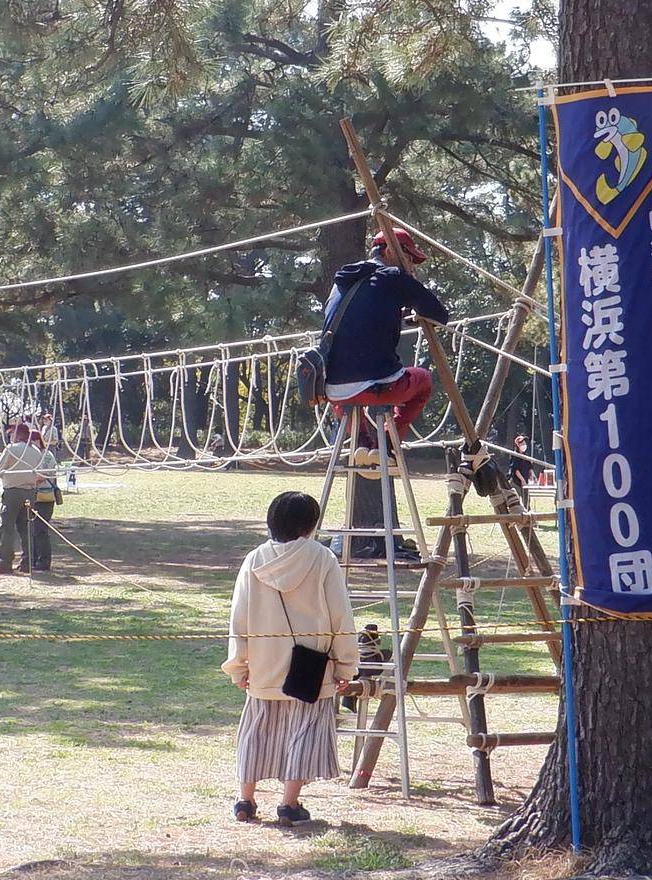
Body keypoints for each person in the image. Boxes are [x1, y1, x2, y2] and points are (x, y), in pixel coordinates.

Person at [223, 491, 356, 826]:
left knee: (257, 730)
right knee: (305, 732)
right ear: (310, 525)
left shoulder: (254, 559)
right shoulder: (323, 558)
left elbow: (238, 617)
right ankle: (289, 803)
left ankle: (245, 799)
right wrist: (346, 665)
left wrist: (238, 665)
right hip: (311, 665)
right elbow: (341, 615)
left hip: (264, 662)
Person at [319, 228, 451, 458]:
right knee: (424, 381)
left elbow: (365, 317)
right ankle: (386, 445)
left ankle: (361, 442)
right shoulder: (393, 276)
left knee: (342, 388)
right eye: (409, 259)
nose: (411, 267)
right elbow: (439, 315)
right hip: (378, 386)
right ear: (391, 251)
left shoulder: (343, 281)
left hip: (333, 391)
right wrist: (410, 290)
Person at [0, 424, 50, 575]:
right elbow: (39, 472)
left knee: (7, 527)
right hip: (30, 492)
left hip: (12, 491)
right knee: (27, 529)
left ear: (17, 435)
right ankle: (28, 561)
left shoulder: (12, 449)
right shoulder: (36, 451)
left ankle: (5, 561)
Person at [26, 431, 62, 574]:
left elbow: (41, 476)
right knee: (33, 530)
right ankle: (34, 559)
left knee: (40, 530)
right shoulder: (34, 454)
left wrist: (23, 479)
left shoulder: (46, 455)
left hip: (45, 497)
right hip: (34, 496)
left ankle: (44, 561)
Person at [341, 624, 391, 713]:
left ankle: (349, 700)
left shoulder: (361, 639)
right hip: (365, 665)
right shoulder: (368, 644)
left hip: (364, 664)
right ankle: (349, 700)